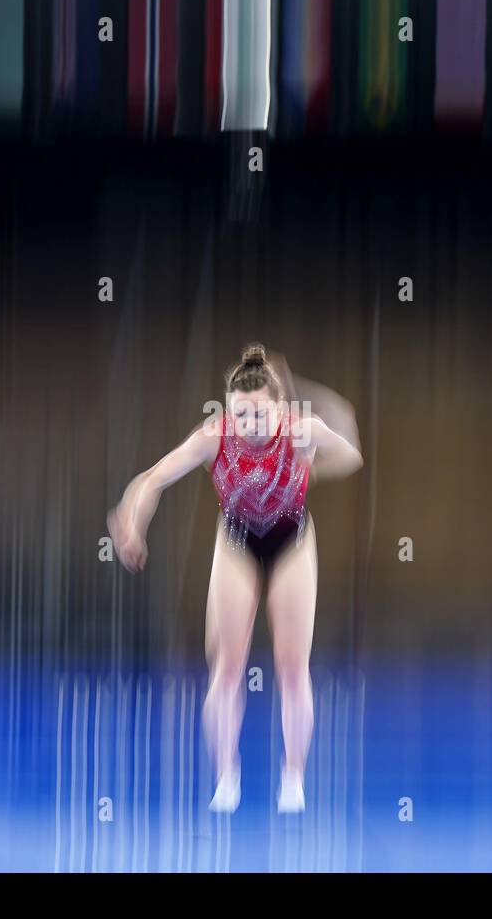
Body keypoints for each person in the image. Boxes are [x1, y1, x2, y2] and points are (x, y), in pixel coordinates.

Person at [107, 344, 363, 812]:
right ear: (228, 410)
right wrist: (132, 521)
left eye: (261, 416)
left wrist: (317, 447)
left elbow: (351, 455)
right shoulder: (213, 437)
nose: (250, 425)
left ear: (280, 408)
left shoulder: (302, 431)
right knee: (226, 669)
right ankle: (227, 774)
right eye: (241, 415)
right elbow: (153, 479)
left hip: (292, 542)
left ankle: (294, 774)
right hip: (237, 543)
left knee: (291, 668)